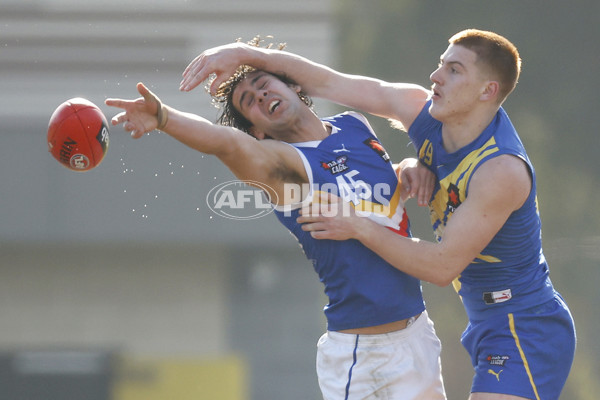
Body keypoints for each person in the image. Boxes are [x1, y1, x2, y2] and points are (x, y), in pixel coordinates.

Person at [179, 29, 576, 400]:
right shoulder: (421, 111)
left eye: (454, 70)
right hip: (482, 323)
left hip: (525, 324)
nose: (437, 75)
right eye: (441, 63)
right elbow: (329, 81)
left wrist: (357, 226)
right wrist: (245, 53)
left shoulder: (501, 170)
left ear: (488, 90)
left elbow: (440, 267)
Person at [106, 43, 447, 399]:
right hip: (363, 354)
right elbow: (227, 144)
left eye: (262, 82)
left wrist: (407, 169)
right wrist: (164, 117)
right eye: (248, 101)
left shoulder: (354, 125)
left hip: (418, 334)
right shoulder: (281, 165)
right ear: (258, 132)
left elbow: (369, 194)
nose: (260, 94)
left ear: (295, 85)